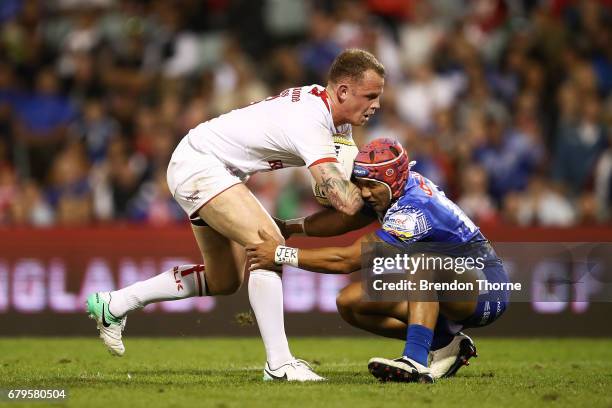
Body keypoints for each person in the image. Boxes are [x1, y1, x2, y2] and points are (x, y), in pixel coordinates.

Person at [85, 49, 386, 381]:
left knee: (223, 280)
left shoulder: (338, 123)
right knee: (268, 244)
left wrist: (350, 190)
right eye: (370, 96)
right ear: (343, 91)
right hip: (202, 164)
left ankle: (114, 304)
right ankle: (280, 364)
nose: (376, 105)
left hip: (209, 165)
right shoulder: (312, 119)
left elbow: (345, 190)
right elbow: (344, 200)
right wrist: (381, 195)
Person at [246, 138, 509, 383]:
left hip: (485, 287)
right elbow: (346, 219)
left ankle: (416, 361)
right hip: (447, 283)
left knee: (424, 265)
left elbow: (348, 260)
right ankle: (444, 342)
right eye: (362, 184)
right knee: (350, 303)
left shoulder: (413, 210)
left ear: (392, 181)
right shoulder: (392, 188)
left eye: (371, 186)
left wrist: (280, 254)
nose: (366, 192)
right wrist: (289, 228)